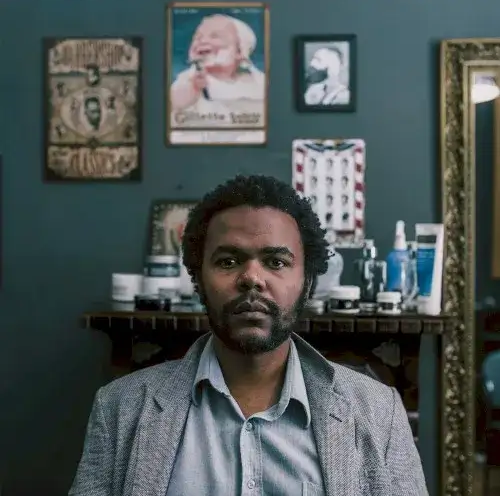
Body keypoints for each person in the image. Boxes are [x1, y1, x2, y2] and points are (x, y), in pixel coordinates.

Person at [69, 175, 428, 496]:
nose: (252, 278)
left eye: (276, 262)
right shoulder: (120, 408)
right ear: (198, 279)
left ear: (307, 282)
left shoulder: (379, 413)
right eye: (228, 261)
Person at [170, 14, 265, 124]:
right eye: (197, 37)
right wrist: (193, 89)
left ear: (240, 51)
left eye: (215, 36)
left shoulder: (257, 80)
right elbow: (173, 103)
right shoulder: (191, 79)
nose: (202, 41)